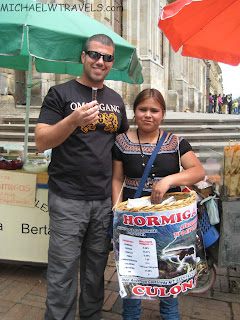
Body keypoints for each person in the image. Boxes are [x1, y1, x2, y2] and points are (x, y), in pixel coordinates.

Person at [35, 34, 129, 320]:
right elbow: (41, 141)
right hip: (68, 199)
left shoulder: (115, 99)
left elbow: (123, 146)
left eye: (107, 57)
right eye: (94, 55)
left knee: (95, 273)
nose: (100, 61)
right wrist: (73, 121)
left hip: (103, 201)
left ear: (112, 63)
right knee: (63, 272)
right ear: (83, 57)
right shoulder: (60, 94)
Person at [112, 88, 205, 320]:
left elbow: (198, 171)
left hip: (168, 226)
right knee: (132, 275)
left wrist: (169, 180)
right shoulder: (121, 143)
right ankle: (131, 316)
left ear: (162, 113)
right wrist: (115, 212)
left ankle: (170, 315)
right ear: (134, 112)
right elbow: (116, 179)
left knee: (169, 274)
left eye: (154, 110)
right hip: (133, 224)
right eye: (143, 109)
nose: (148, 115)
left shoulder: (176, 143)